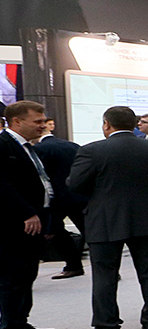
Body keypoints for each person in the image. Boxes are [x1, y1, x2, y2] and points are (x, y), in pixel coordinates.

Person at [66, 105, 148, 329]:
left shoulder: (92, 151)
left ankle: (107, 327)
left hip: (105, 219)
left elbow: (75, 184)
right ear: (134, 124)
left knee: (105, 274)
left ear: (106, 124)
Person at [0, 100, 58, 329]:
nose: (43, 126)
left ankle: (21, 323)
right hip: (15, 224)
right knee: (13, 277)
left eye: (43, 121)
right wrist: (26, 212)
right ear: (16, 121)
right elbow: (3, 185)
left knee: (27, 275)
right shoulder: (3, 145)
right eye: (37, 121)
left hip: (32, 222)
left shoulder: (27, 147)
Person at [36, 117, 87, 279]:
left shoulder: (39, 149)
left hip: (57, 198)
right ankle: (109, 269)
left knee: (54, 231)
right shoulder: (72, 145)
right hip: (79, 194)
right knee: (89, 230)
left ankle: (73, 264)